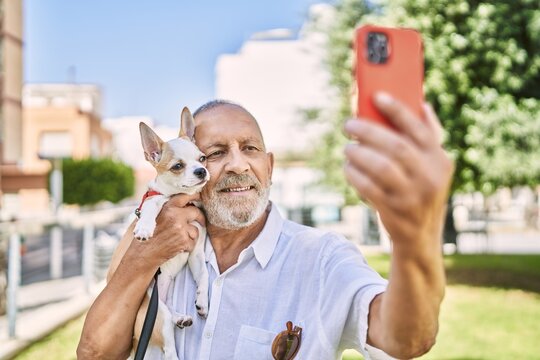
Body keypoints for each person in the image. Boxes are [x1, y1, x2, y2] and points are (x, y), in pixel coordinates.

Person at [77, 93, 453, 360]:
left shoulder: (321, 257)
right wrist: (146, 256)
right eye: (216, 153)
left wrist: (415, 240)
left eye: (250, 148)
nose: (238, 165)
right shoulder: (151, 239)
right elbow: (93, 354)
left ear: (269, 168)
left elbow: (407, 340)